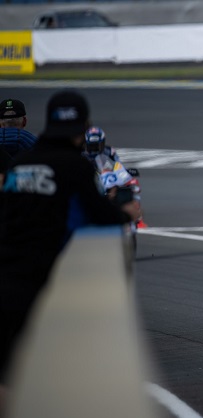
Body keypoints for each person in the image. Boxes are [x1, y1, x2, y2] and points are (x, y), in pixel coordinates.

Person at [0, 89, 141, 387]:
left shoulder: (18, 165)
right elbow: (101, 215)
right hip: (43, 278)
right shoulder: (75, 167)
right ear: (82, 128)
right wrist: (126, 212)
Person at [83, 126, 147, 228]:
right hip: (92, 179)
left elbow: (118, 164)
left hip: (109, 177)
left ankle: (138, 219)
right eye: (92, 146)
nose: (95, 149)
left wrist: (125, 173)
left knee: (133, 186)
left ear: (102, 143)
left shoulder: (110, 151)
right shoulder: (82, 155)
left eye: (97, 145)